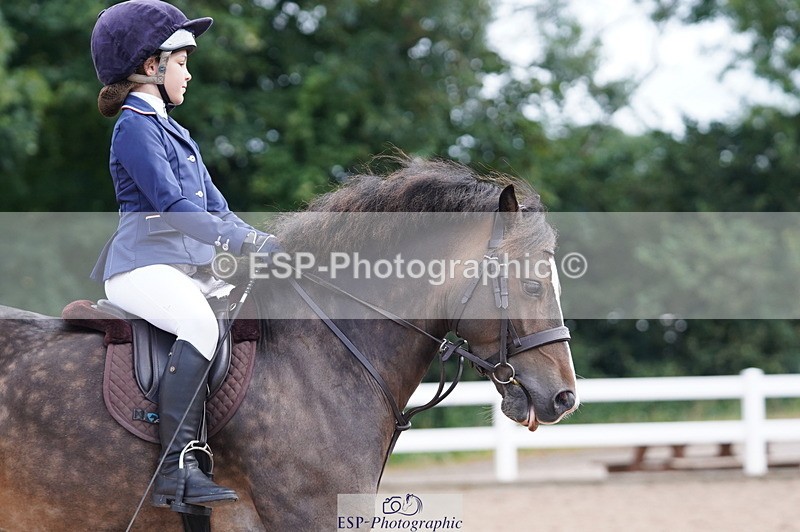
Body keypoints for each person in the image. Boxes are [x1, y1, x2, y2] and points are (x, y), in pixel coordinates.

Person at [89, 0, 277, 510]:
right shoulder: (134, 126)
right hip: (140, 267)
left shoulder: (175, 131)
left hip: (178, 267)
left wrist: (267, 244)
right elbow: (172, 207)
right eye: (182, 62)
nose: (188, 75)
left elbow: (218, 207)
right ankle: (176, 470)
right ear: (151, 67)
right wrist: (240, 244)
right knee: (199, 324)